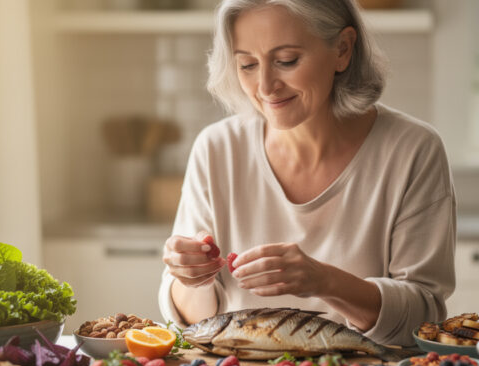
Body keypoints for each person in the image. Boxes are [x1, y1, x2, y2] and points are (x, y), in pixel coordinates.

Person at [158, 0, 456, 346]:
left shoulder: (412, 150)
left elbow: (425, 318)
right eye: (248, 64)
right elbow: (196, 323)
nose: (266, 86)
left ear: (342, 50)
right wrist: (192, 279)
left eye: (287, 61)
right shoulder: (217, 149)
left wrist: (324, 282)